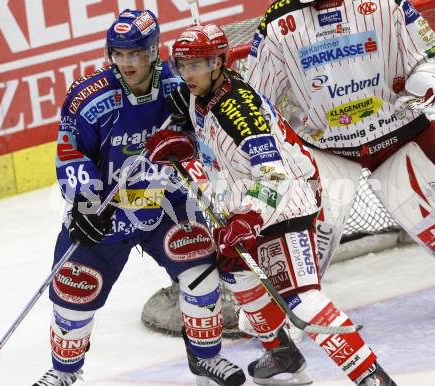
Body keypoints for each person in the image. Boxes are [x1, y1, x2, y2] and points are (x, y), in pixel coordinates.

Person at [146, 23, 396, 386]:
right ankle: (282, 354)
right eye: (183, 65)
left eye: (197, 65)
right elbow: (215, 145)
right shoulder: (198, 93)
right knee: (235, 270)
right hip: (244, 203)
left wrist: (248, 218)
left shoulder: (238, 110)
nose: (188, 73)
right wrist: (186, 147)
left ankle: (371, 376)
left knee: (301, 297)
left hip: (285, 203)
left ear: (219, 62)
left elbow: (274, 176)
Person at [33, 10, 249, 386]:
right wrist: (86, 202)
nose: (126, 62)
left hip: (165, 203)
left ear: (153, 51)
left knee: (200, 273)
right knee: (72, 288)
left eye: (135, 53)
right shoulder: (89, 96)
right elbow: (71, 153)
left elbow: (211, 134)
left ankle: (206, 359)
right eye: (118, 54)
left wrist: (193, 120)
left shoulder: (179, 84)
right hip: (105, 209)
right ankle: (63, 373)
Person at [246, 0, 435, 275]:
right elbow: (255, 98)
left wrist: (427, 82)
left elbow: (425, 55)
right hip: (326, 149)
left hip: (401, 133)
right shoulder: (277, 21)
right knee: (304, 249)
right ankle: (274, 310)